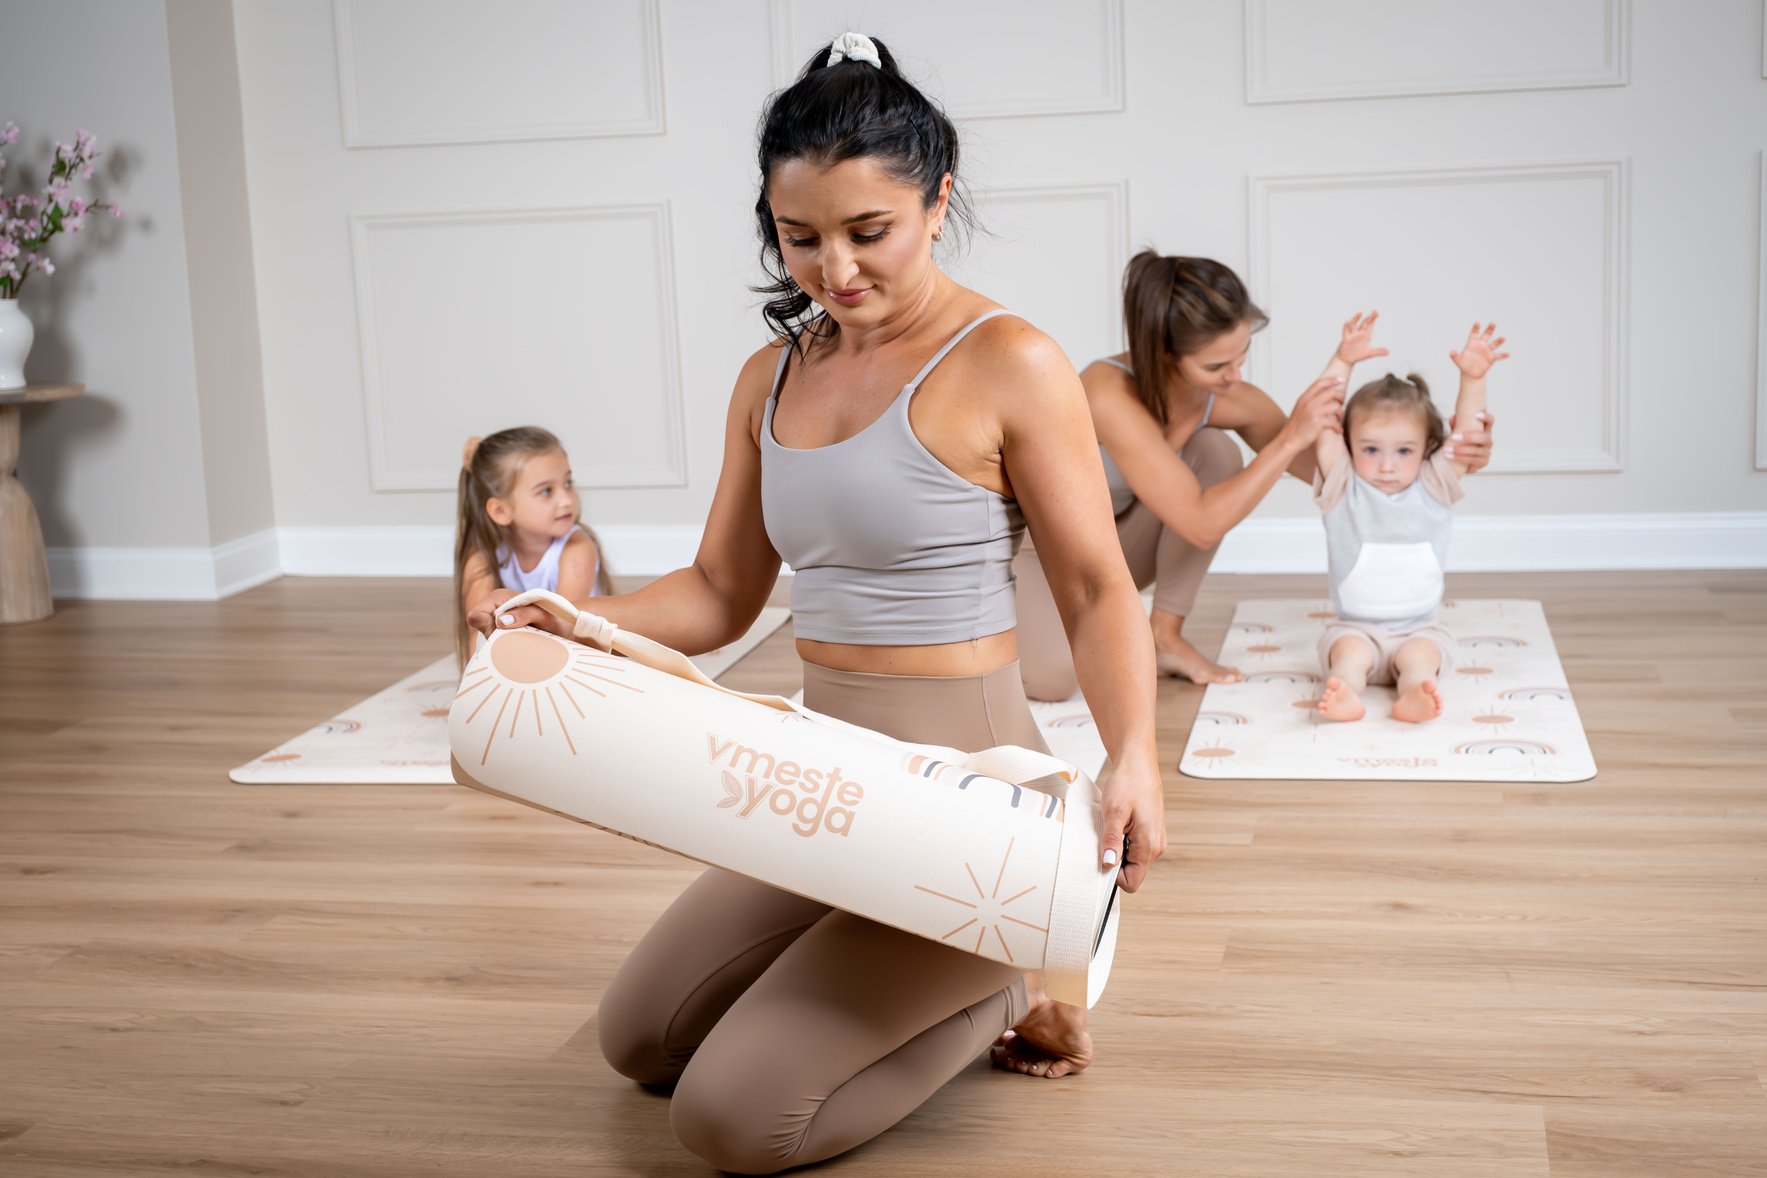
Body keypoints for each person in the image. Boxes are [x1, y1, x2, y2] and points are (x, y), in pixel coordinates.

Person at [468, 33, 1165, 1174]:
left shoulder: (1011, 362)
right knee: (638, 1041)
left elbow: (1095, 586)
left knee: (732, 1121)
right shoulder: (771, 375)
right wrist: (580, 624)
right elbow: (722, 588)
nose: (835, 270)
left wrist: (1133, 754)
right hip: (816, 779)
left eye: (867, 232)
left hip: (969, 801)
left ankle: (1014, 975)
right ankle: (927, 962)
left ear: (938, 202)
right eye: (801, 237)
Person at [1013, 254, 1496, 699]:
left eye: (1241, 355)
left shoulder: (1226, 397)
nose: (1234, 375)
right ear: (1164, 356)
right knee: (1054, 682)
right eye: (1217, 365)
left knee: (1215, 452)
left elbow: (1343, 476)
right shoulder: (1107, 391)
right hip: (1047, 552)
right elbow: (1199, 523)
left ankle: (1163, 636)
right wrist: (1288, 439)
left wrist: (1443, 456)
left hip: (1112, 548)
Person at [1313, 317, 1508, 723]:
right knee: (1347, 658)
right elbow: (1323, 416)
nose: (1386, 465)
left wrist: (1473, 378)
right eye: (1370, 449)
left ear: (1427, 448)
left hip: (1419, 629)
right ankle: (1345, 693)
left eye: (1404, 451)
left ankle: (1415, 693)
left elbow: (1469, 436)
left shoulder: (1434, 483)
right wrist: (1341, 361)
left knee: (1420, 660)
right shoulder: (1342, 484)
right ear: (1349, 443)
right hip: (1355, 629)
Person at [454, 427, 610, 666]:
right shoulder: (483, 556)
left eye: (568, 483)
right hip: (524, 652)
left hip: (577, 656)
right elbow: (474, 634)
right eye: (546, 491)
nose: (567, 499)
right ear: (500, 510)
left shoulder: (576, 549)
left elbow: (564, 627)